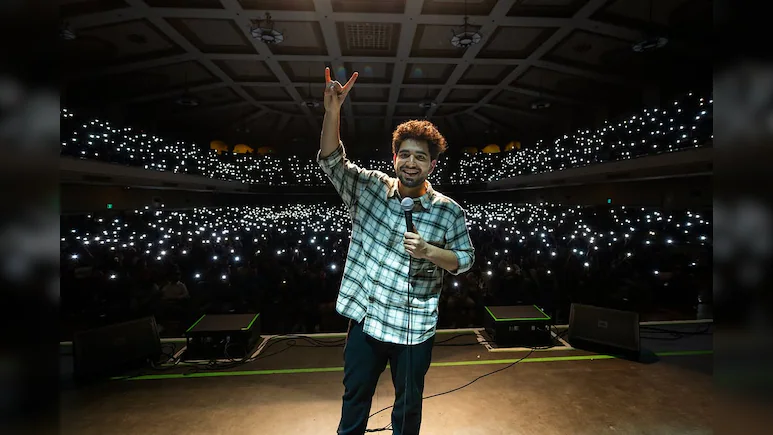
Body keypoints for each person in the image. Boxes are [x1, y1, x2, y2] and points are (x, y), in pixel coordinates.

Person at [317, 67, 475, 435]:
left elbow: (465, 260)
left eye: (420, 157)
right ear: (394, 159)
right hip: (367, 321)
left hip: (414, 329)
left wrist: (430, 251)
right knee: (354, 399)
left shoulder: (448, 211)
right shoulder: (370, 188)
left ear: (432, 164)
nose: (411, 163)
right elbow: (331, 161)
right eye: (404, 155)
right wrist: (332, 111)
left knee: (408, 409)